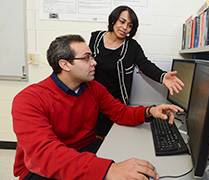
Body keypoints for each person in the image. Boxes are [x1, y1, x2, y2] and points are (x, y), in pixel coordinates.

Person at [12, 34, 183, 180]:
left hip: (84, 151)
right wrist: (108, 169)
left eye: (92, 57)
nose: (94, 62)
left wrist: (150, 111)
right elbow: (44, 155)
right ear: (65, 64)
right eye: (86, 58)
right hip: (43, 167)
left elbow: (120, 112)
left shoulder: (94, 88)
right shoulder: (29, 99)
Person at [89, 5, 184, 137]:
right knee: (93, 136)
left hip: (117, 104)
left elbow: (145, 65)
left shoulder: (132, 46)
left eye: (130, 25)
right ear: (113, 20)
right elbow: (85, 63)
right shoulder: (95, 38)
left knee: (114, 138)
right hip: (92, 100)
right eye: (122, 22)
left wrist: (162, 76)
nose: (125, 28)